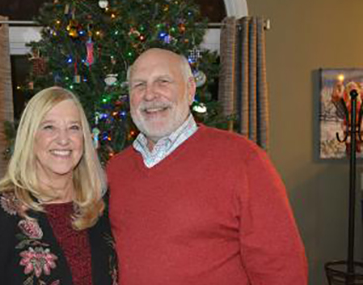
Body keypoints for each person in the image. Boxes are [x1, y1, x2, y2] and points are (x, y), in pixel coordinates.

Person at [106, 48, 307, 284]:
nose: (149, 94)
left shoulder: (243, 160)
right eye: (139, 85)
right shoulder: (115, 170)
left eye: (163, 81)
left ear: (190, 90)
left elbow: (281, 267)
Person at [0, 87, 118, 285]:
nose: (63, 139)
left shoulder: (99, 206)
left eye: (73, 127)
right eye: (49, 127)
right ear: (30, 137)